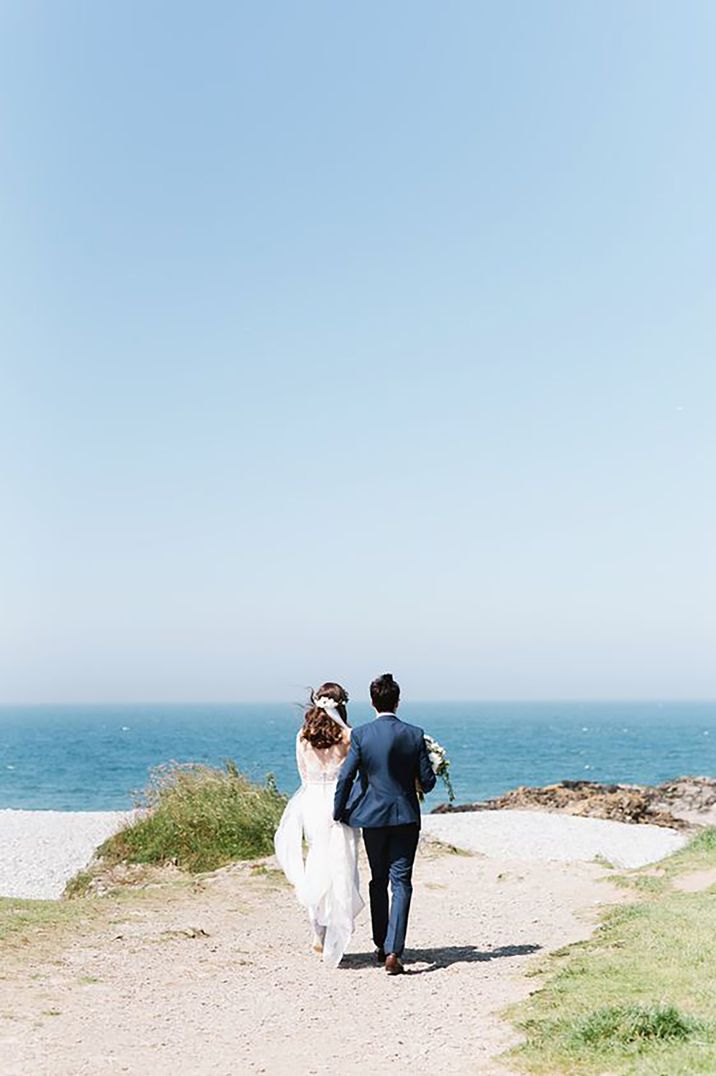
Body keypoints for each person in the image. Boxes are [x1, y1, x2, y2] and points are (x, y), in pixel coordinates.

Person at [333, 673, 436, 975]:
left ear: (372, 702)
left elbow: (345, 776)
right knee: (401, 883)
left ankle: (380, 944)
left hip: (373, 820)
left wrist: (338, 811)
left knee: (378, 880)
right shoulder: (414, 734)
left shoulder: (362, 735)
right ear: (398, 701)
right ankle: (394, 951)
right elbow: (428, 783)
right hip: (406, 816)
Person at [274, 682, 364, 967]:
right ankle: (335, 926)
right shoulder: (349, 736)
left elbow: (302, 773)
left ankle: (318, 928)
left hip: (311, 801)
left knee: (317, 860)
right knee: (342, 863)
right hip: (340, 804)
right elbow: (354, 775)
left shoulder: (302, 736)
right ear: (342, 706)